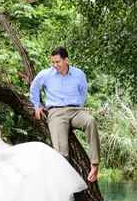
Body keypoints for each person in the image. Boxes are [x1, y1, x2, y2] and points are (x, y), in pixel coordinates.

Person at [28, 47, 100, 182]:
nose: (55, 65)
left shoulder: (79, 74)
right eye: (53, 62)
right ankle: (63, 183)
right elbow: (34, 87)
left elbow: (83, 92)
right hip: (56, 113)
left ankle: (95, 165)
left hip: (76, 111)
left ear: (66, 60)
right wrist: (37, 106)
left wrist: (79, 106)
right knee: (61, 151)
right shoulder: (45, 74)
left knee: (91, 121)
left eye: (58, 62)